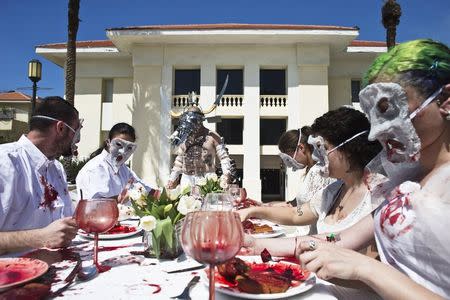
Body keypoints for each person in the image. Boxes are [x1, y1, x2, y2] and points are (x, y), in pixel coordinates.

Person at [296, 39, 450, 300]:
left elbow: (367, 268)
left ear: (445, 101)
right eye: (373, 117)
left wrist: (366, 269)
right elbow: (340, 240)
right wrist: (250, 245)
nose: (377, 131)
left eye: (389, 109)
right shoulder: (406, 181)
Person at [239, 107, 382, 237]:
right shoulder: (333, 191)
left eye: (323, 148)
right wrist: (252, 211)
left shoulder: (379, 196)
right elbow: (295, 213)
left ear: (348, 149)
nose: (315, 156)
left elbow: (342, 247)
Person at [0, 97, 82, 253]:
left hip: (59, 268)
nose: (77, 141)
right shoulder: (5, 162)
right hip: (14, 274)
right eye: (76, 131)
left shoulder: (56, 168)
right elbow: (47, 236)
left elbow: (64, 223)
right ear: (61, 128)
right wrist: (40, 237)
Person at [239, 126, 335, 235]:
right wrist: (263, 205)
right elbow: (293, 204)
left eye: (289, 157)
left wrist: (258, 210)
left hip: (313, 236)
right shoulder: (310, 170)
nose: (289, 163)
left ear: (301, 148)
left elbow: (297, 212)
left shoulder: (318, 172)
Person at [166, 92, 236, 189]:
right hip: (187, 179)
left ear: (200, 120)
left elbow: (223, 157)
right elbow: (179, 162)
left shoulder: (212, 136)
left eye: (193, 122)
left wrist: (226, 175)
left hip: (208, 179)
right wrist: (171, 179)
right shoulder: (184, 137)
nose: (192, 126)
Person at [76, 122, 158, 203]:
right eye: (119, 144)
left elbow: (146, 189)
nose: (123, 151)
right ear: (108, 142)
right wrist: (124, 196)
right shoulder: (96, 168)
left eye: (129, 148)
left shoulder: (124, 169)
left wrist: (167, 194)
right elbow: (96, 204)